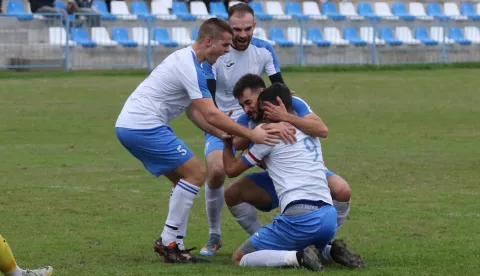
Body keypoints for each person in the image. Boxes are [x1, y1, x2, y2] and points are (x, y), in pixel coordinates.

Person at [115, 18, 282, 264]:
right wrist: (251, 134)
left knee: (183, 180)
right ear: (208, 41)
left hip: (137, 125)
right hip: (142, 125)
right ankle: (169, 242)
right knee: (196, 173)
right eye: (225, 45)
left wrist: (220, 134)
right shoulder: (188, 64)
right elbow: (211, 113)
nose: (228, 50)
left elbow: (194, 111)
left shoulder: (201, 66)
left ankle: (175, 244)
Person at [225, 73, 365, 269]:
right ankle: (327, 249)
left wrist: (283, 119)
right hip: (323, 210)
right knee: (232, 193)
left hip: (298, 198)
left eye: (249, 102)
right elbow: (239, 140)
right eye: (242, 105)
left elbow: (322, 129)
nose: (246, 109)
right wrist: (257, 130)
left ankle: (288, 253)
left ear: (264, 96)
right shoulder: (251, 120)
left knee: (342, 190)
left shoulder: (292, 106)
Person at [198, 2, 286, 256]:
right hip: (223, 121)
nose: (242, 34)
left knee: (286, 162)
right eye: (237, 29)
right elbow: (210, 100)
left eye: (248, 28)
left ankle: (284, 230)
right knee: (216, 171)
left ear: (254, 26)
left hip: (255, 119)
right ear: (228, 27)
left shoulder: (264, 50)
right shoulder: (218, 52)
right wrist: (222, 127)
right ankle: (215, 235)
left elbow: (280, 90)